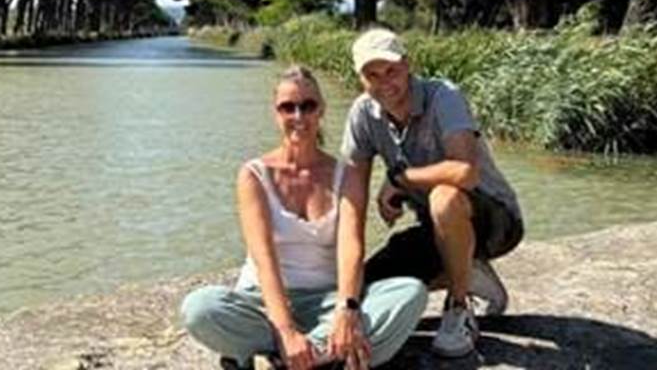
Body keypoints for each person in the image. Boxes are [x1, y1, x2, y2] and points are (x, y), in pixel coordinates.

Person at [182, 65, 427, 370]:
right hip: (263, 303)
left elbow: (352, 248)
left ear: (321, 110)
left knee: (410, 294)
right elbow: (264, 258)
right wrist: (285, 330)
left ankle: (291, 355)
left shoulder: (346, 176)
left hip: (327, 301)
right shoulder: (253, 175)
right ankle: (327, 354)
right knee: (200, 309)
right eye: (288, 107)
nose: (299, 116)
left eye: (308, 106)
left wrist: (346, 310)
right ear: (276, 112)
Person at [337, 28, 524, 358]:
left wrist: (400, 178)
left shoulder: (443, 96)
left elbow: (464, 171)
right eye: (372, 74)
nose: (384, 82)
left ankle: (458, 306)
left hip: (495, 221)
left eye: (392, 70)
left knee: (444, 196)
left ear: (409, 65)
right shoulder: (362, 115)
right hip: (438, 230)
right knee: (370, 283)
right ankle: (471, 274)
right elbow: (351, 203)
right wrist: (344, 293)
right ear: (360, 78)